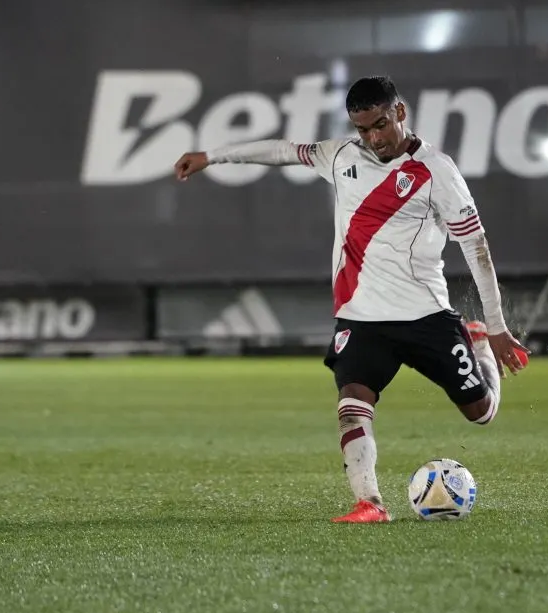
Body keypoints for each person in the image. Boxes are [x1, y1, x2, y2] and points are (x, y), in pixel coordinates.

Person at [173, 75, 529, 523]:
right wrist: (212, 156)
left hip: (426, 317)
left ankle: (475, 345)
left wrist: (495, 329)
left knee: (480, 414)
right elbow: (284, 151)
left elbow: (476, 247)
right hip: (362, 317)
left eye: (380, 125)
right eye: (362, 129)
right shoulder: (340, 155)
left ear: (400, 113)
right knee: (352, 404)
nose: (373, 138)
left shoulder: (438, 171)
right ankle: (370, 503)